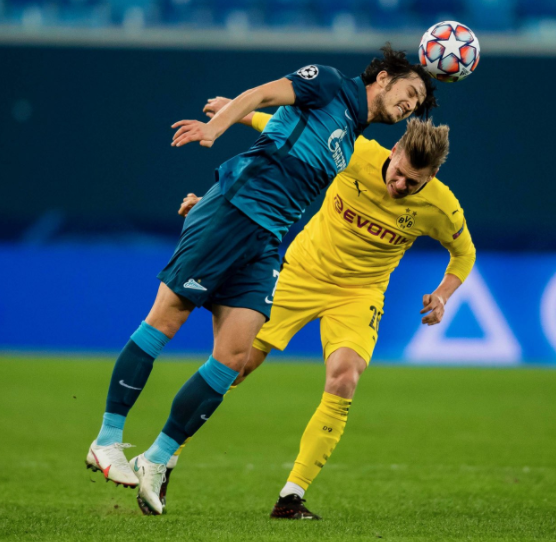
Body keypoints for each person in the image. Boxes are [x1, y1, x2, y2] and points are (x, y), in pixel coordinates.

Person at [85, 45, 437, 516]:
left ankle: (157, 457)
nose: (411, 104)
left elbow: (281, 139)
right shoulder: (330, 82)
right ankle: (107, 439)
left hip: (267, 240)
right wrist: (215, 129)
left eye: (419, 102)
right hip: (235, 211)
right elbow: (263, 94)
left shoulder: (351, 138)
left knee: (233, 358)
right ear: (384, 77)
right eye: (410, 91)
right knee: (165, 320)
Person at [161, 102, 475, 519]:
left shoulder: (441, 207)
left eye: (412, 182)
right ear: (395, 150)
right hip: (301, 273)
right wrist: (235, 113)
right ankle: (164, 457)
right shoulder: (356, 153)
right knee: (234, 366)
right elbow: (294, 130)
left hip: (359, 294)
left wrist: (443, 294)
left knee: (345, 377)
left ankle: (291, 496)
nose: (399, 185)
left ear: (431, 177)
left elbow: (464, 253)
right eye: (398, 172)